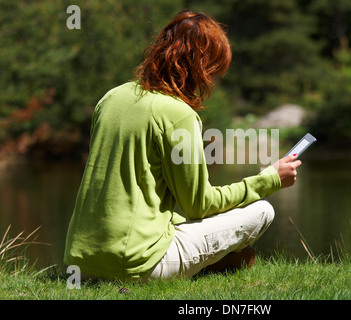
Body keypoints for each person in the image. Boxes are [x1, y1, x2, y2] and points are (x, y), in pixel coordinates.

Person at [63, 9, 301, 281]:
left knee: (178, 219)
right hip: (135, 265)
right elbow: (198, 205)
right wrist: (268, 179)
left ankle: (205, 261)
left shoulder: (110, 98)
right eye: (213, 70)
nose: (212, 80)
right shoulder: (179, 115)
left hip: (80, 265)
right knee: (262, 211)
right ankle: (206, 262)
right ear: (200, 67)